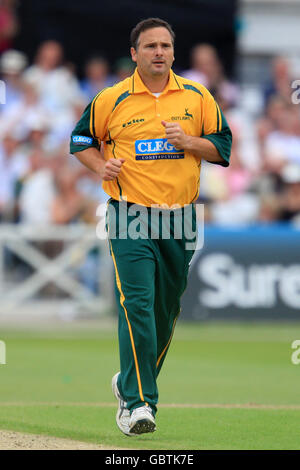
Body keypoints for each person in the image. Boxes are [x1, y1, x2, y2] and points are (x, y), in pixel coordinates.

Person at [70, 17, 232, 436]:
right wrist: (100, 165)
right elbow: (81, 141)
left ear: (174, 52)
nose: (158, 52)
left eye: (164, 45)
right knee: (137, 305)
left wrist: (190, 143)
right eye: (150, 46)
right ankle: (140, 404)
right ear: (134, 54)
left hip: (181, 217)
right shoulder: (113, 98)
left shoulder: (197, 97)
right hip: (130, 214)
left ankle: (127, 383)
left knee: (165, 311)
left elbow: (222, 146)